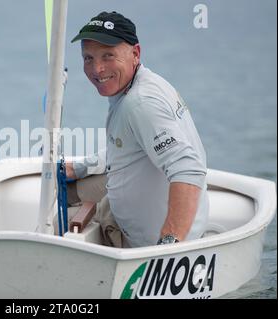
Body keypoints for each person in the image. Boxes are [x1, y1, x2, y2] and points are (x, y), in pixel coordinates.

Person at [66, 11, 209, 248]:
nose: (97, 69)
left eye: (108, 56)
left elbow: (188, 168)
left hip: (150, 248)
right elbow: (129, 145)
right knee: (59, 187)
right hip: (131, 212)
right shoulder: (139, 85)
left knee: (52, 209)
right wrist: (80, 167)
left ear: (135, 53)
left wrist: (169, 244)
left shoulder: (140, 103)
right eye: (88, 58)